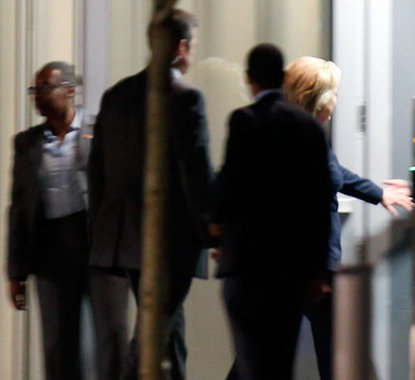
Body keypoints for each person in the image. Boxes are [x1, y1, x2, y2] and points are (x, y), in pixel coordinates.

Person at [87, 9, 213, 380]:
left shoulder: (116, 95)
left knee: (169, 333)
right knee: (153, 331)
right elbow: (197, 175)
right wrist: (212, 229)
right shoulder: (185, 98)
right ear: (181, 47)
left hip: (125, 238)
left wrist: (104, 228)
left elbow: (97, 172)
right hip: (170, 241)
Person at [281, 56, 414, 380]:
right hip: (309, 266)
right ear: (317, 98)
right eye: (334, 93)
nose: (337, 101)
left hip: (305, 265)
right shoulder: (295, 138)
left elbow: (335, 172)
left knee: (277, 353)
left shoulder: (302, 133)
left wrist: (378, 193)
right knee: (338, 356)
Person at [213, 43, 332, 380]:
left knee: (249, 358)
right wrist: (318, 270)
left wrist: (216, 230)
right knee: (279, 362)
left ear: (250, 79)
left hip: (246, 266)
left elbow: (228, 187)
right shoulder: (308, 128)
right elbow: (319, 201)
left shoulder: (244, 121)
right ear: (281, 77)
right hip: (289, 271)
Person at [7, 61, 129, 380]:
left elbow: (121, 189)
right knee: (59, 346)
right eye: (36, 89)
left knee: (111, 340)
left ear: (70, 90)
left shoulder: (100, 130)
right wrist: (15, 272)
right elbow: (19, 209)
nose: (39, 95)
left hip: (99, 249)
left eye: (46, 87)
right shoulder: (26, 143)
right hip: (51, 253)